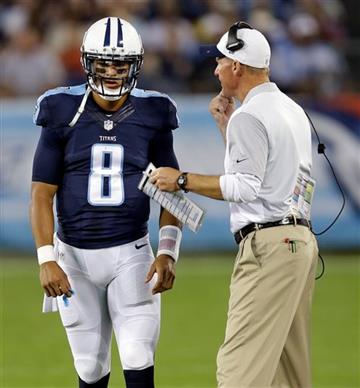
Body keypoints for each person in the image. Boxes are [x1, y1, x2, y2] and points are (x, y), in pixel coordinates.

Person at [151, 21, 319, 388]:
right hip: (299, 241)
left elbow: (245, 186)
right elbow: (277, 175)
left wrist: (182, 180)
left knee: (238, 370)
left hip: (269, 246)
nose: (215, 69)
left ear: (237, 67)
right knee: (287, 373)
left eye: (220, 61)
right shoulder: (292, 109)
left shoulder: (251, 115)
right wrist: (227, 125)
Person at [29, 17, 182, 388]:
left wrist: (168, 251)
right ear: (87, 63)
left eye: (121, 64)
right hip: (74, 258)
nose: (112, 72)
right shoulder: (61, 108)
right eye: (103, 63)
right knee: (90, 369)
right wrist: (46, 260)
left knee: (138, 359)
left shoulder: (155, 112)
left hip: (131, 254)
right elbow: (41, 193)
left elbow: (171, 187)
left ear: (136, 66)